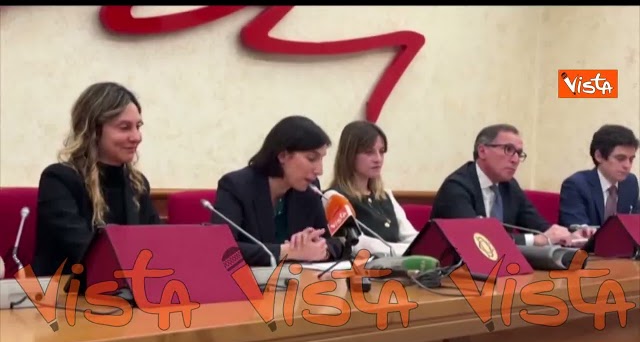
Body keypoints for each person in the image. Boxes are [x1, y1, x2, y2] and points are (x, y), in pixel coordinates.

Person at [33, 82, 161, 279]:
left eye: (138, 126)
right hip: (67, 292)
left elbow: (157, 244)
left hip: (125, 289)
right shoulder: (59, 180)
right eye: (124, 128)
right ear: (93, 130)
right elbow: (85, 252)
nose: (136, 137)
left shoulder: (138, 184)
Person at [212, 115, 343, 266]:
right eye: (312, 158)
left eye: (322, 159)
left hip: (296, 279)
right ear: (283, 156)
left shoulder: (308, 189)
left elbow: (333, 242)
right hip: (248, 279)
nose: (319, 170)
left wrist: (320, 249)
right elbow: (221, 248)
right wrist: (287, 252)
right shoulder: (236, 186)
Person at [431, 124, 589, 246]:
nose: (515, 160)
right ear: (482, 151)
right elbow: (476, 240)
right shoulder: (456, 187)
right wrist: (535, 240)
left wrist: (570, 236)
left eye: (519, 154)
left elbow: (538, 226)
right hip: (452, 272)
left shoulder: (509, 186)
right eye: (508, 149)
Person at [324, 120, 418, 256]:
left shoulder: (386, 195)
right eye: (369, 152)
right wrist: (411, 251)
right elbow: (358, 245)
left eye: (382, 152)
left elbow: (410, 236)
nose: (378, 159)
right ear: (350, 155)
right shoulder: (333, 198)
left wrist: (426, 246)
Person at [559, 124, 639, 227]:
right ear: (599, 156)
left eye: (631, 159)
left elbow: (634, 224)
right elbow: (578, 229)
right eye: (620, 158)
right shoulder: (576, 185)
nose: (627, 165)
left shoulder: (630, 182)